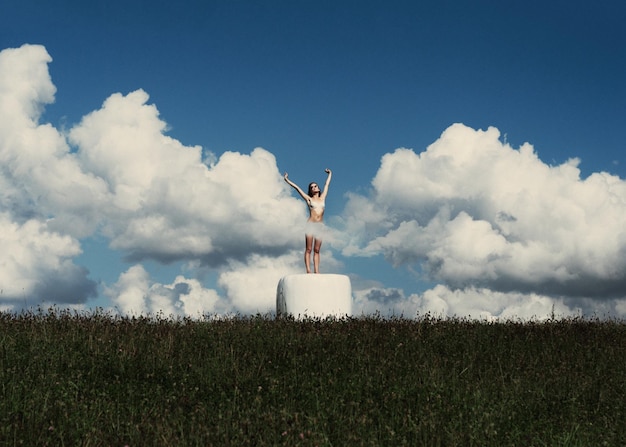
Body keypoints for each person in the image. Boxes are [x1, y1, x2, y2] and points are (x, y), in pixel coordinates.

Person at [284, 168, 332, 273]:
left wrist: (330, 173)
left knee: (317, 250)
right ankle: (308, 270)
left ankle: (317, 271)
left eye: (315, 186)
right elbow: (297, 188)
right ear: (310, 190)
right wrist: (287, 180)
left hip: (320, 226)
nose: (314, 187)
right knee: (309, 249)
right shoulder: (309, 199)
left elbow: (327, 184)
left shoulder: (323, 197)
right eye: (312, 187)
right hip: (311, 225)